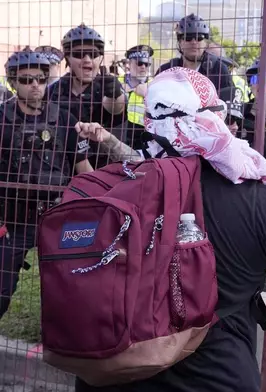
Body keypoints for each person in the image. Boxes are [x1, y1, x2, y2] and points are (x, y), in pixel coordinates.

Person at [73, 66, 266, 392]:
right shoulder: (254, 200)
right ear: (210, 119)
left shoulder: (115, 187)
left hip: (109, 377)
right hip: (214, 378)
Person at [0, 48, 92, 319]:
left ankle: (63, 342)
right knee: (1, 291)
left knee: (67, 290)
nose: (35, 85)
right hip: (11, 220)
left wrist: (94, 206)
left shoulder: (64, 120)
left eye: (41, 79)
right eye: (27, 80)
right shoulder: (1, 120)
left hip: (58, 218)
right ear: (13, 83)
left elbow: (83, 169)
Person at [47, 23, 127, 168]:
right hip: (61, 168)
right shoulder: (53, 91)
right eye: (79, 54)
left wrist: (115, 94)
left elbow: (116, 108)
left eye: (93, 54)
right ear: (68, 58)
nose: (87, 60)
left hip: (104, 168)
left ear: (100, 58)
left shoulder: (107, 86)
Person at [156, 13, 232, 92]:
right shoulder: (166, 71)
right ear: (180, 42)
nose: (194, 42)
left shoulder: (218, 70)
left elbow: (229, 100)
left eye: (199, 37)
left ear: (205, 43)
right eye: (188, 38)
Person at [118, 45, 154, 150]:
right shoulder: (117, 82)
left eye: (147, 64)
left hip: (144, 137)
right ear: (129, 64)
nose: (143, 67)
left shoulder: (154, 85)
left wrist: (149, 94)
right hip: (119, 134)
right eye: (139, 63)